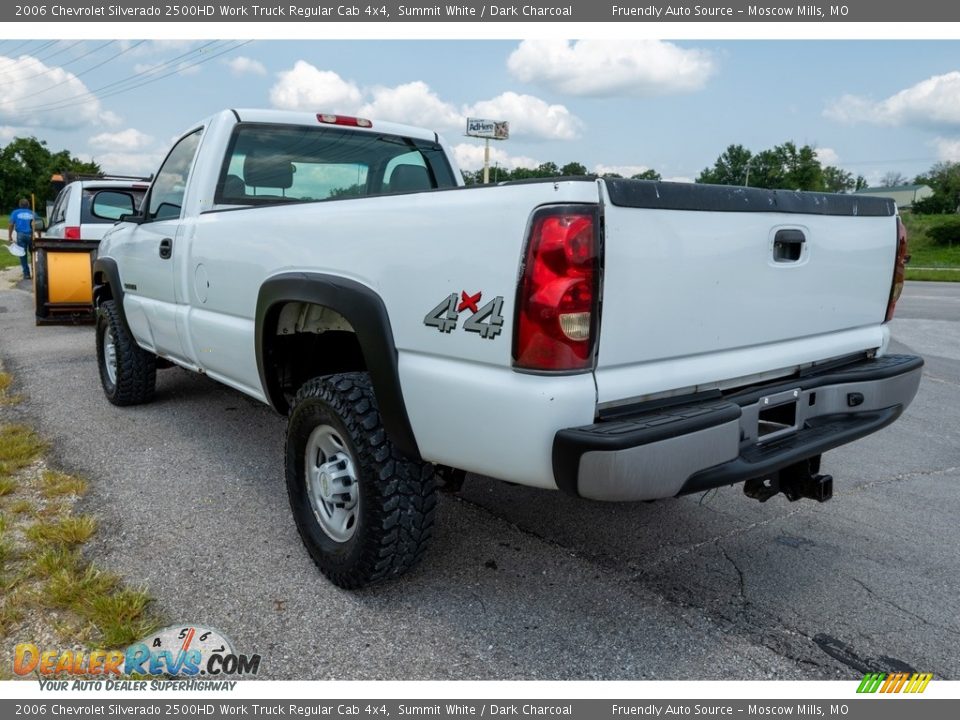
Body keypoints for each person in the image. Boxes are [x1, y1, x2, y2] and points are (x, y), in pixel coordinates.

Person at [7, 198, 35, 280]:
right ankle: (35, 271)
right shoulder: (32, 213)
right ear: (28, 205)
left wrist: (10, 235)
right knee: (33, 253)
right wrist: (38, 236)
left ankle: (26, 274)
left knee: (22, 254)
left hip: (20, 236)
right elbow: (38, 224)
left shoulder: (15, 213)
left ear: (19, 205)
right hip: (31, 235)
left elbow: (11, 224)